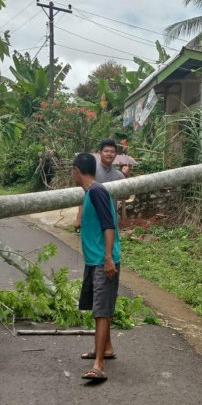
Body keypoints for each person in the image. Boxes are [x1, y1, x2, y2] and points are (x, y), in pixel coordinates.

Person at [72, 152, 122, 382]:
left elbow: (109, 225)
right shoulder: (89, 193)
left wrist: (109, 258)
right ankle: (106, 348)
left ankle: (98, 365)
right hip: (95, 260)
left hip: (103, 261)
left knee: (101, 312)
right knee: (98, 308)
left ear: (76, 170)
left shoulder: (97, 191)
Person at [73, 139, 130, 230]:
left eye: (112, 152)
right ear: (100, 153)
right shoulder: (92, 172)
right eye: (106, 151)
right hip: (92, 217)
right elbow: (83, 195)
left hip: (110, 218)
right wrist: (79, 218)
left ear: (116, 155)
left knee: (110, 243)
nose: (109, 154)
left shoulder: (119, 175)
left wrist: (126, 176)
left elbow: (126, 196)